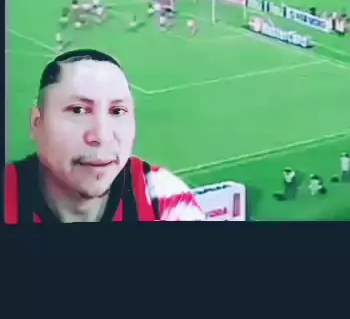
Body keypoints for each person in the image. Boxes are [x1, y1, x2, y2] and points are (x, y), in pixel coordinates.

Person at [3, 49, 205, 223]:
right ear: (37, 123)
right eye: (78, 110)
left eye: (117, 111)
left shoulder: (162, 197)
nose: (102, 135)